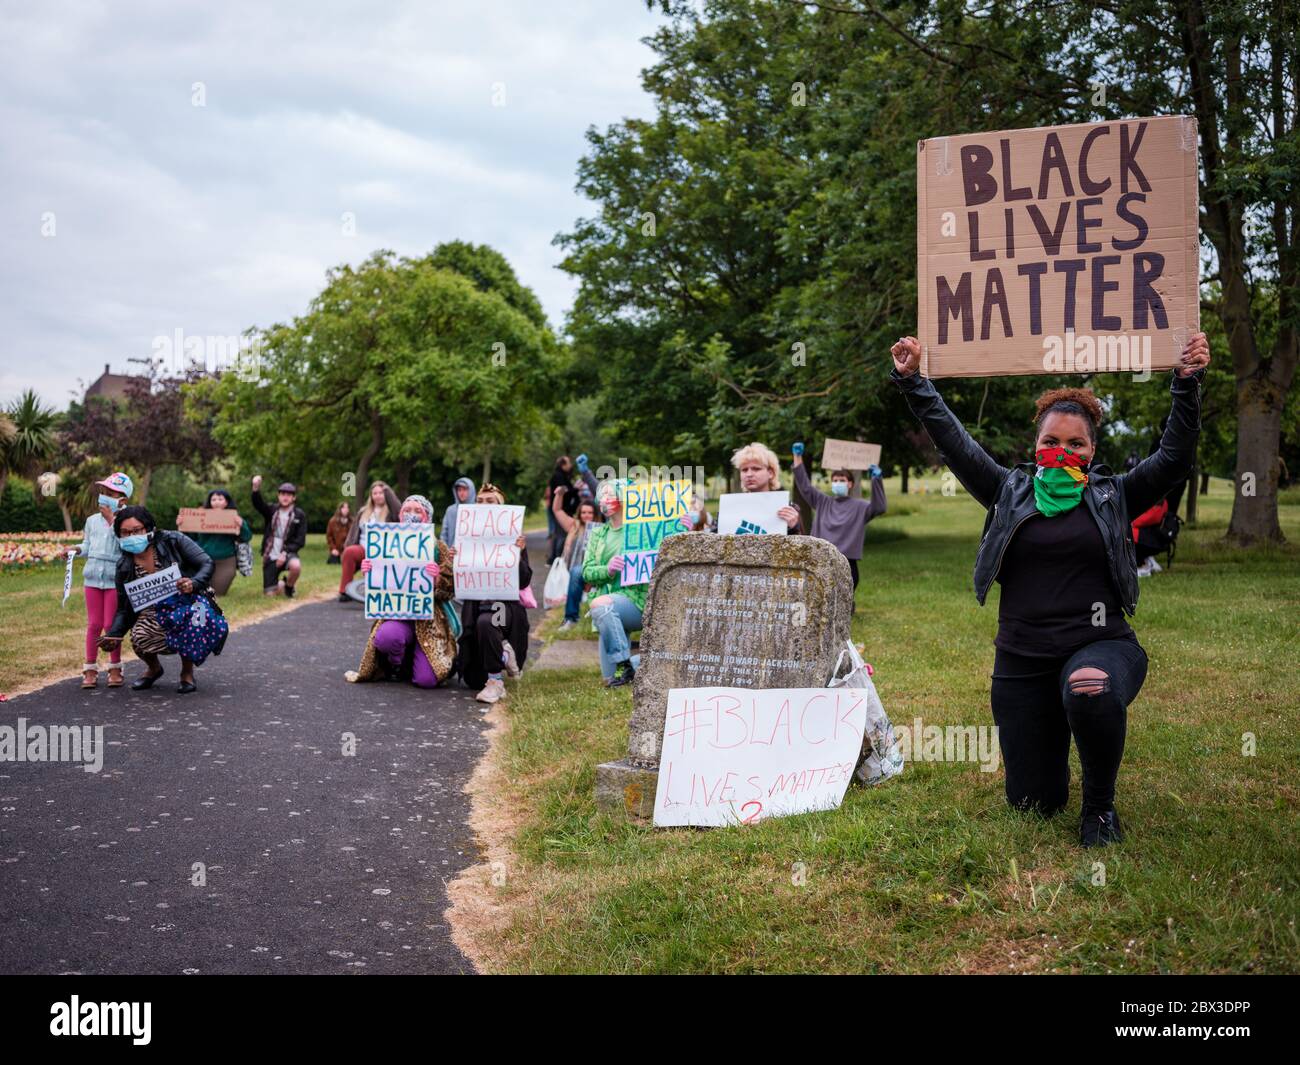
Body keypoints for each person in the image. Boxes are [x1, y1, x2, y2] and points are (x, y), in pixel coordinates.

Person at [888, 330, 1211, 847]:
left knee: (1088, 686)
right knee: (1034, 803)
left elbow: (1174, 458)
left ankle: (1100, 811)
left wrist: (1188, 380)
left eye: (1076, 443)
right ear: (1035, 446)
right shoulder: (1005, 490)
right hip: (1022, 660)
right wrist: (913, 380)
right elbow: (954, 442)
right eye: (1051, 442)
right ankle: (1052, 742)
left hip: (1100, 646)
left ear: (1092, 449)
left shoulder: (1116, 494)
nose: (1062, 451)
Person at [99, 505, 227, 694]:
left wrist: (193, 582)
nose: (131, 536)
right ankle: (154, 668)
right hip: (152, 610)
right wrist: (114, 634)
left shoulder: (173, 539)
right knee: (139, 636)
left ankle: (187, 672)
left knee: (190, 620)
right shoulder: (124, 566)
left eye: (136, 530)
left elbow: (206, 562)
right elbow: (124, 607)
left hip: (187, 601)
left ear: (150, 528)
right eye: (125, 533)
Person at [344, 494, 459, 689]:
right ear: (400, 515)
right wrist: (370, 571)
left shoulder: (439, 547)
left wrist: (438, 579)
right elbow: (383, 578)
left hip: (429, 619)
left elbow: (452, 589)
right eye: (407, 510)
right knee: (387, 637)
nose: (411, 515)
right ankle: (396, 663)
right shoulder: (386, 542)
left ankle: (420, 661)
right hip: (398, 614)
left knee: (426, 681)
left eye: (417, 511)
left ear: (427, 517)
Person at [457, 484, 532, 705]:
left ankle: (495, 682)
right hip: (476, 607)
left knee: (487, 621)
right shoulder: (468, 537)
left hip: (504, 607)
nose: (484, 505)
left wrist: (518, 554)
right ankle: (503, 655)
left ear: (501, 506)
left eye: (490, 501)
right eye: (480, 501)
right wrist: (454, 562)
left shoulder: (514, 537)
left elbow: (525, 580)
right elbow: (457, 583)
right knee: (472, 679)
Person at [66, 471, 132, 688]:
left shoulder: (127, 521)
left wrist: (112, 521)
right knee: (94, 624)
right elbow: (87, 545)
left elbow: (127, 545)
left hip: (115, 579)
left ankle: (115, 668)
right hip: (92, 577)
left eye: (111, 493)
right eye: (104, 492)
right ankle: (90, 669)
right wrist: (75, 549)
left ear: (122, 499)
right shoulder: (92, 521)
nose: (105, 496)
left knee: (110, 625)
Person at [791, 447, 886, 592]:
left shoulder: (861, 507)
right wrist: (797, 457)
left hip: (847, 562)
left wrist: (876, 479)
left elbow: (879, 507)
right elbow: (805, 486)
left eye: (842, 480)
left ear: (850, 484)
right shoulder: (822, 501)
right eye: (835, 480)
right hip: (820, 558)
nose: (838, 483)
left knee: (842, 604)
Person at [338, 481, 400, 601]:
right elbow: (354, 531)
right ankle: (345, 591)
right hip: (364, 547)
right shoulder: (364, 511)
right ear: (371, 496)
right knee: (349, 552)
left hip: (384, 550)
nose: (378, 495)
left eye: (381, 493)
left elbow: (398, 509)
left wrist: (387, 490)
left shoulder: (392, 511)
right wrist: (347, 547)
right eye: (375, 493)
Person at [552, 484, 599, 631]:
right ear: (579, 513)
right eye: (584, 512)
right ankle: (570, 618)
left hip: (594, 568)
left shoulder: (601, 528)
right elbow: (557, 510)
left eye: (590, 513)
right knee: (576, 572)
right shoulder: (574, 526)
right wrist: (559, 495)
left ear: (595, 514)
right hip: (573, 568)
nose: (586, 515)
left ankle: (584, 616)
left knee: (578, 572)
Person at [250, 476, 306, 598]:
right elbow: (258, 504)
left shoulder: (299, 515)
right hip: (270, 554)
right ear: (278, 496)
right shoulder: (272, 510)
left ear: (294, 497)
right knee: (270, 595)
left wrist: (285, 552)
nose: (285, 497)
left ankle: (289, 588)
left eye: (289, 495)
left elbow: (300, 541)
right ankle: (283, 584)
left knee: (296, 566)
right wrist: (255, 488)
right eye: (283, 494)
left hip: (288, 552)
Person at [191, 489, 253, 597]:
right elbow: (190, 538)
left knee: (217, 594)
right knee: (200, 593)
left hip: (225, 561)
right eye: (213, 499)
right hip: (203, 560)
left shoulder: (234, 518)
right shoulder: (201, 517)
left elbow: (247, 537)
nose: (217, 502)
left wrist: (242, 524)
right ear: (210, 502)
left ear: (226, 502)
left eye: (220, 499)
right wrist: (184, 525)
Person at [731, 443, 802, 531]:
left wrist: (794, 527)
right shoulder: (731, 507)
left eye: (756, 469)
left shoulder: (787, 507)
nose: (749, 474)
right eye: (744, 470)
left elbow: (803, 542)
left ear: (770, 473)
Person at [545, 456, 576, 563]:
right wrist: (575, 489)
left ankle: (553, 558)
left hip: (562, 508)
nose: (570, 465)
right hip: (560, 508)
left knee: (558, 533)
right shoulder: (559, 476)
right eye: (569, 463)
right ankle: (556, 558)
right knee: (560, 534)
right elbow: (563, 490)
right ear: (563, 465)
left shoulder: (561, 475)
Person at [441, 477, 476, 548]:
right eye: (459, 490)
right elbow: (444, 534)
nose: (461, 493)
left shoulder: (477, 510)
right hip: (452, 553)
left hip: (472, 553)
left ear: (471, 490)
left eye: (465, 489)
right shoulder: (450, 510)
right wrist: (445, 552)